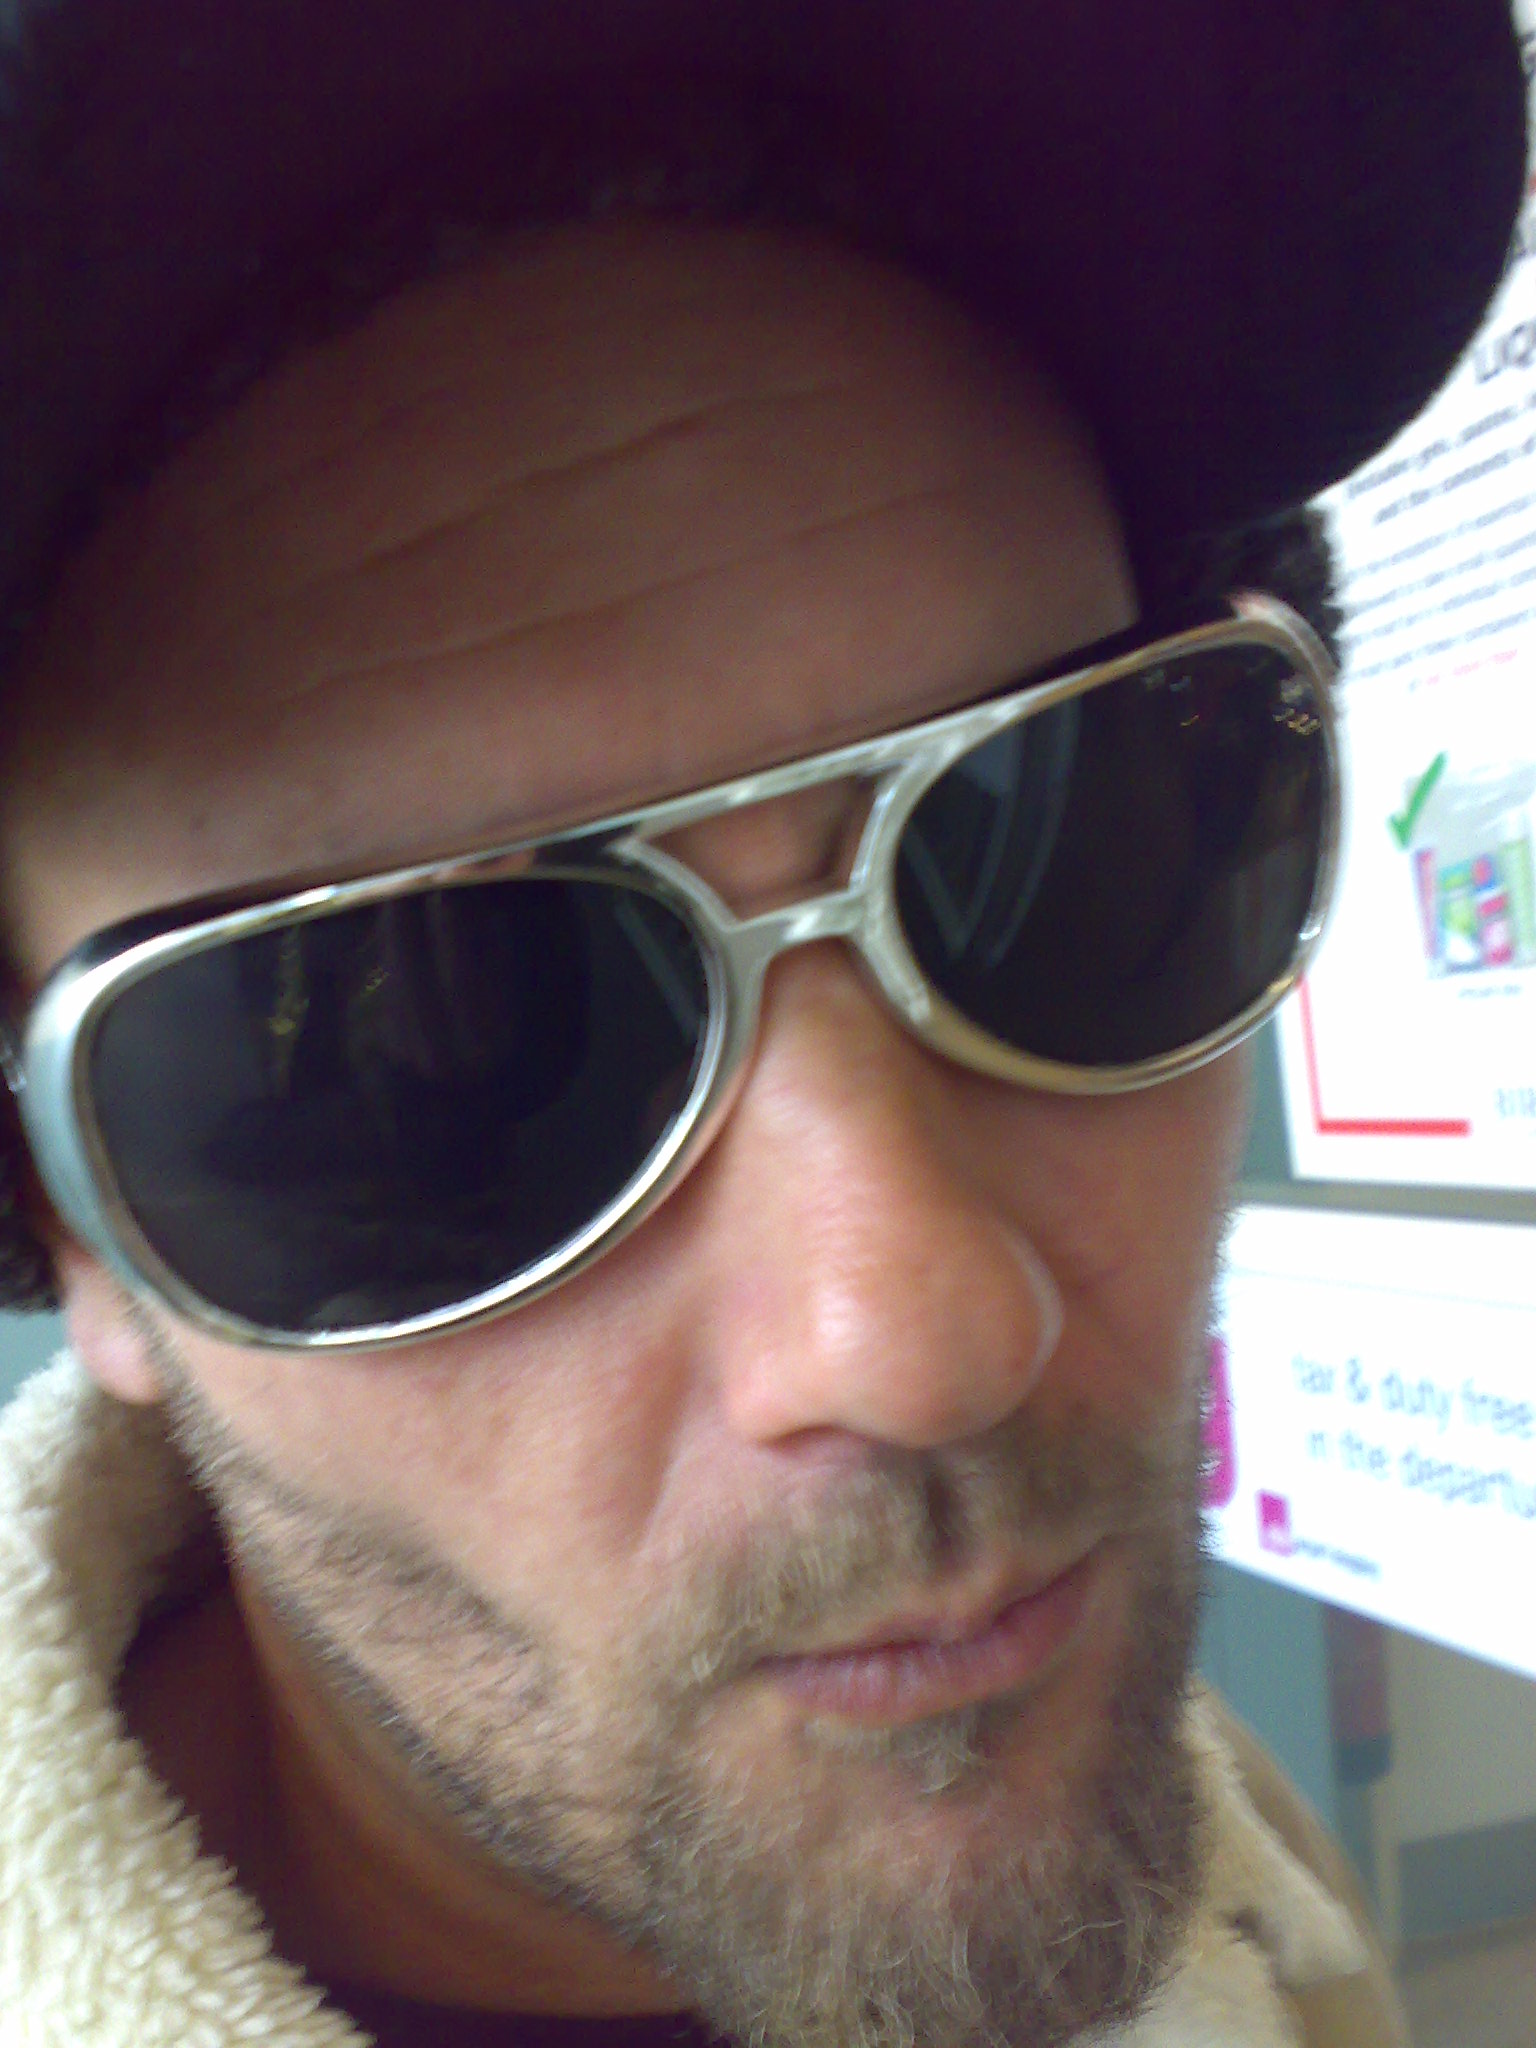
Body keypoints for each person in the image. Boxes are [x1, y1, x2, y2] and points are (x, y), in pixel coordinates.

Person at [0, 5, 1522, 2046]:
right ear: (67, 1216)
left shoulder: (1232, 1889)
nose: (918, 1334)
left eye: (1063, 840)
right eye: (434, 1060)